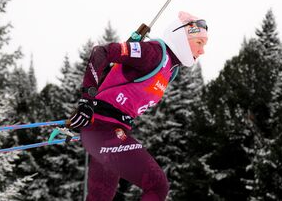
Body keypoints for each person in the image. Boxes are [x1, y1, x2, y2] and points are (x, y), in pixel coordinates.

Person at [67, 11, 208, 201]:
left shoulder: (170, 69)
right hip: (107, 128)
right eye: (199, 42)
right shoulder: (153, 53)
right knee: (157, 186)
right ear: (181, 37)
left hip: (110, 129)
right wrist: (86, 101)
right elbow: (101, 52)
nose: (202, 51)